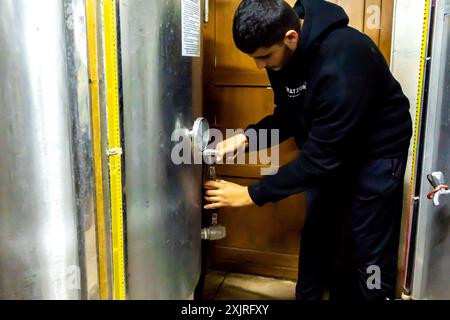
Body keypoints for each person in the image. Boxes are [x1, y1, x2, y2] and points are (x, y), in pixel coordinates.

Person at [204, 0, 412, 300]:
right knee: (317, 234)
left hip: (376, 155)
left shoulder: (345, 59)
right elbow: (289, 114)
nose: (259, 66)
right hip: (328, 148)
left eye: (263, 57)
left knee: (370, 252)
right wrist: (248, 138)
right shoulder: (281, 56)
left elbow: (318, 161)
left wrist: (251, 194)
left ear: (291, 37)